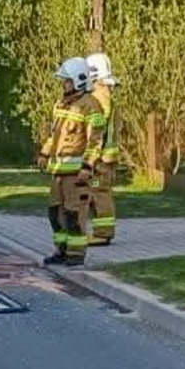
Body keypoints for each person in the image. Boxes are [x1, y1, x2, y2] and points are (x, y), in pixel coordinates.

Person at [37, 57, 106, 267]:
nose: (63, 85)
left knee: (74, 214)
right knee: (55, 213)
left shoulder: (91, 106)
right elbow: (54, 134)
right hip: (58, 171)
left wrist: (88, 166)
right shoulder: (61, 104)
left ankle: (76, 254)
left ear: (79, 80)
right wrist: (45, 153)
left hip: (76, 173)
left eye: (66, 81)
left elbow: (96, 141)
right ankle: (61, 250)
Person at [85, 53, 119, 246]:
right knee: (97, 192)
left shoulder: (98, 97)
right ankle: (101, 231)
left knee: (99, 193)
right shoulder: (104, 94)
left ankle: (102, 233)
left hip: (100, 159)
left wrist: (91, 155)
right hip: (104, 156)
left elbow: (97, 127)